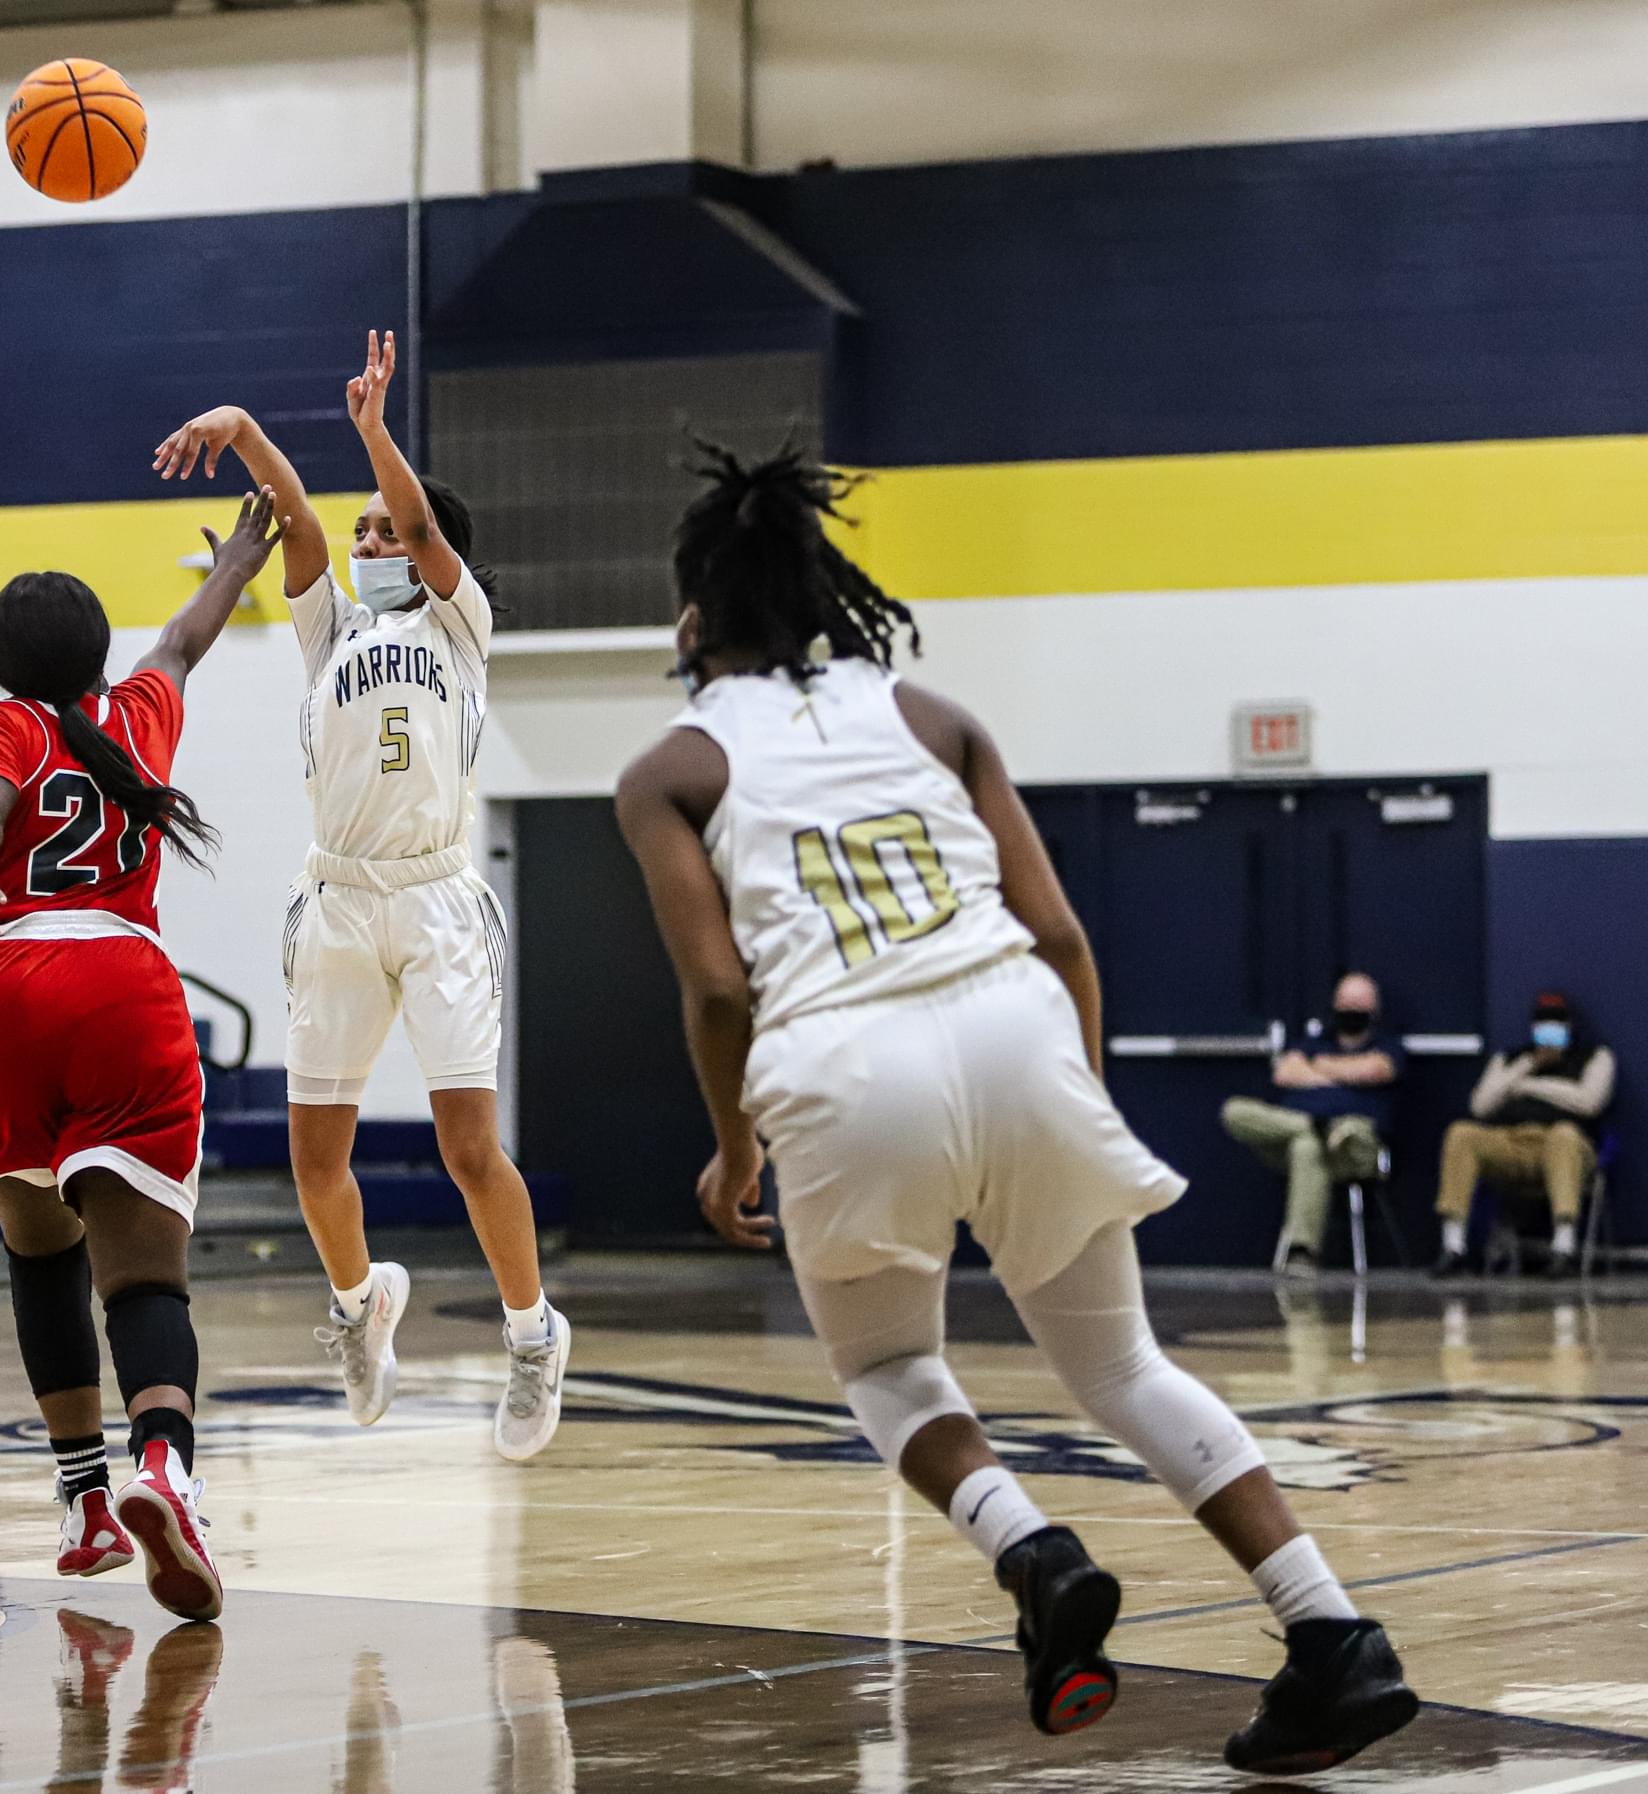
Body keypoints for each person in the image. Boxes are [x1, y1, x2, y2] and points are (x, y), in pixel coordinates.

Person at [613, 441, 1416, 1773]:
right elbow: (1064, 934)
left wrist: (734, 1146)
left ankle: (1036, 1553)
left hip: (843, 1060)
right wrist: (1070, 1091)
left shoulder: (669, 770)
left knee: (883, 1369)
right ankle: (1333, 1632)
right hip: (1015, 1022)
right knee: (1120, 1365)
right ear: (824, 597)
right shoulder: (933, 715)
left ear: (693, 621)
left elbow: (716, 992)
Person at [153, 331, 569, 1462]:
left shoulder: (457, 627)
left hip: (435, 904)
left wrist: (375, 432)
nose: (370, 536)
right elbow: (291, 517)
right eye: (366, 528)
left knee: (468, 1147)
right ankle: (357, 1304)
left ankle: (531, 1334)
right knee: (313, 1161)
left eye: (385, 528)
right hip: (335, 901)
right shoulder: (328, 628)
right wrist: (239, 425)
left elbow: (424, 528)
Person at [0, 487, 282, 1623]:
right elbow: (184, 640)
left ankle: (84, 1500)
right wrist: (235, 559)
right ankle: (164, 1471)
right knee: (142, 1276)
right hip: (119, 986)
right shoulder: (139, 716)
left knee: (42, 1255)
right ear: (96, 658)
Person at [1222, 974, 1401, 1276]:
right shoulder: (1315, 1042)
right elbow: (1284, 1073)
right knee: (1237, 1112)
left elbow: (1374, 1070)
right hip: (1294, 1137)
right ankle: (1313, 1125)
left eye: (1359, 1003)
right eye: (1346, 1002)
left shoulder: (1388, 1047)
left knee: (1312, 1146)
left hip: (1355, 1144)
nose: (1352, 1009)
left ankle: (1303, 1253)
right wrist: (1344, 1076)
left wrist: (1317, 1067)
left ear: (1375, 1009)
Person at [1433, 992, 1615, 1278]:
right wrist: (1527, 1066)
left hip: (1566, 1146)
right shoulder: (1511, 1059)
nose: (1549, 1030)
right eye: (1543, 1022)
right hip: (1513, 1143)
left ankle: (1564, 1248)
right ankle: (1453, 1247)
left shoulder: (1595, 1057)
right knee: (1461, 1134)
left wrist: (1530, 1086)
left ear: (1569, 1025)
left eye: (1556, 1022)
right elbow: (1480, 1105)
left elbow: (1589, 1101)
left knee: (1563, 1136)